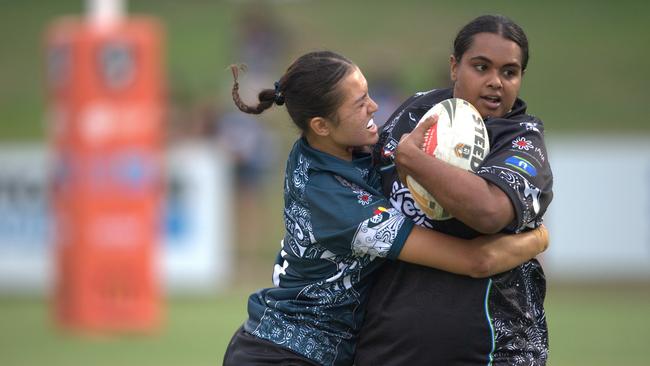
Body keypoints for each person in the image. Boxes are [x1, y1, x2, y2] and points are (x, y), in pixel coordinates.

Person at [222, 50, 549, 366]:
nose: (374, 107)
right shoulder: (343, 208)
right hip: (283, 355)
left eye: (368, 94)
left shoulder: (329, 149)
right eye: (360, 103)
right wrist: (538, 238)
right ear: (321, 125)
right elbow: (477, 261)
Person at [355, 15, 554, 366]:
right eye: (481, 67)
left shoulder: (521, 140)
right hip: (387, 344)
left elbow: (489, 212)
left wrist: (414, 162)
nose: (496, 82)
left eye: (509, 72)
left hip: (492, 348)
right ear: (454, 67)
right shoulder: (414, 113)